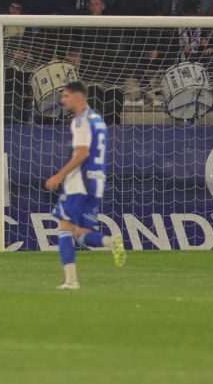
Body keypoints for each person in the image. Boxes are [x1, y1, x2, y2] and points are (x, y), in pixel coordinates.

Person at [46, 81, 124, 290]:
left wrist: (59, 176)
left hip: (79, 182)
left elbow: (82, 153)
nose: (62, 100)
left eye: (66, 96)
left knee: (64, 228)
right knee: (81, 234)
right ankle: (110, 242)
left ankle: (71, 281)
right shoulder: (98, 119)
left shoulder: (80, 121)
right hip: (97, 181)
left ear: (78, 97)